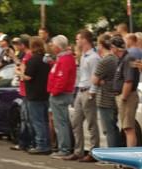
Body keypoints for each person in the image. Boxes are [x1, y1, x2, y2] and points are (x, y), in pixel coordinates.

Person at [67, 29, 100, 160]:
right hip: (81, 90)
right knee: (76, 121)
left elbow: (95, 75)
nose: (77, 41)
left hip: (88, 91)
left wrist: (93, 91)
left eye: (78, 39)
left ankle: (93, 151)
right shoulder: (83, 56)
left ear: (84, 40)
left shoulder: (94, 57)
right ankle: (78, 150)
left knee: (91, 122)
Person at [46, 35, 76, 157]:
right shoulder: (63, 58)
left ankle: (64, 148)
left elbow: (62, 78)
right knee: (61, 121)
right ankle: (64, 147)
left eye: (53, 45)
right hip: (60, 93)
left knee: (60, 122)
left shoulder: (65, 59)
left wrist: (54, 91)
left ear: (58, 46)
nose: (52, 47)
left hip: (60, 94)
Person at [111, 35, 141, 146]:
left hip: (128, 97)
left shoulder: (128, 59)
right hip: (124, 96)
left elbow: (129, 80)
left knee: (129, 128)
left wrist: (123, 97)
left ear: (115, 48)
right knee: (126, 128)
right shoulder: (122, 59)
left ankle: (131, 154)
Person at [24, 37, 51, 154]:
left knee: (37, 121)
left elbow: (28, 76)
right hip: (45, 93)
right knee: (45, 120)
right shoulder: (46, 60)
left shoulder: (32, 60)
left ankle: (41, 144)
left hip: (34, 94)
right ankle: (47, 143)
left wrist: (21, 73)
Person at [93, 33, 121, 148]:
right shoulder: (116, 58)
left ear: (101, 45)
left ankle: (112, 153)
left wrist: (100, 81)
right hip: (113, 96)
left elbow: (94, 80)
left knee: (108, 129)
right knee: (113, 127)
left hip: (105, 98)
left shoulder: (105, 61)